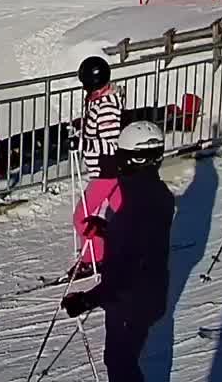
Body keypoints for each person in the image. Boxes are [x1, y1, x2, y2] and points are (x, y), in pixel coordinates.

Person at [62, 120, 176, 382]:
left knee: (120, 363)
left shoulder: (137, 203)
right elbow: (138, 241)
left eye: (121, 156)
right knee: (120, 359)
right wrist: (107, 229)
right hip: (145, 297)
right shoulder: (157, 194)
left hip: (131, 302)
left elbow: (123, 273)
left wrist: (85, 300)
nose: (119, 162)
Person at [68, 55, 123, 279]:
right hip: (105, 169)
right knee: (126, 212)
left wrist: (82, 143)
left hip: (105, 170)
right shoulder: (97, 100)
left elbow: (112, 143)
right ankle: (139, 244)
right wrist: (80, 129)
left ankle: (94, 259)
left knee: (82, 217)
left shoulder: (107, 105)